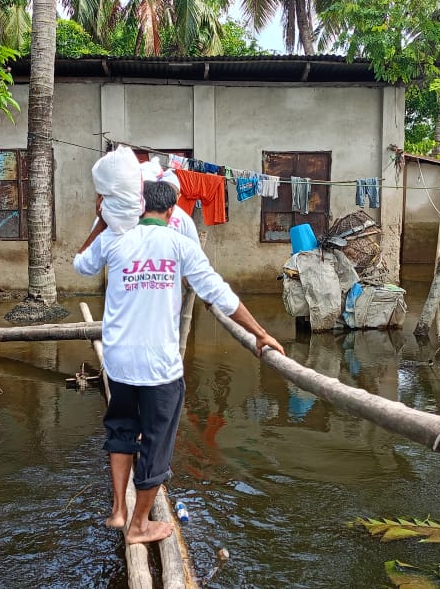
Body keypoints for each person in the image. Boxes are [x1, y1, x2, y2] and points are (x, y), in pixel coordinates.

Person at [73, 181, 284, 544]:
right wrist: (260, 333)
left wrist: (101, 222)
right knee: (156, 443)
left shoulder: (113, 238)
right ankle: (139, 525)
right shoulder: (180, 244)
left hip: (120, 361)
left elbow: (80, 264)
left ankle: (118, 512)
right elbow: (219, 293)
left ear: (139, 208)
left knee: (121, 431)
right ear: (172, 212)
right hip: (159, 367)